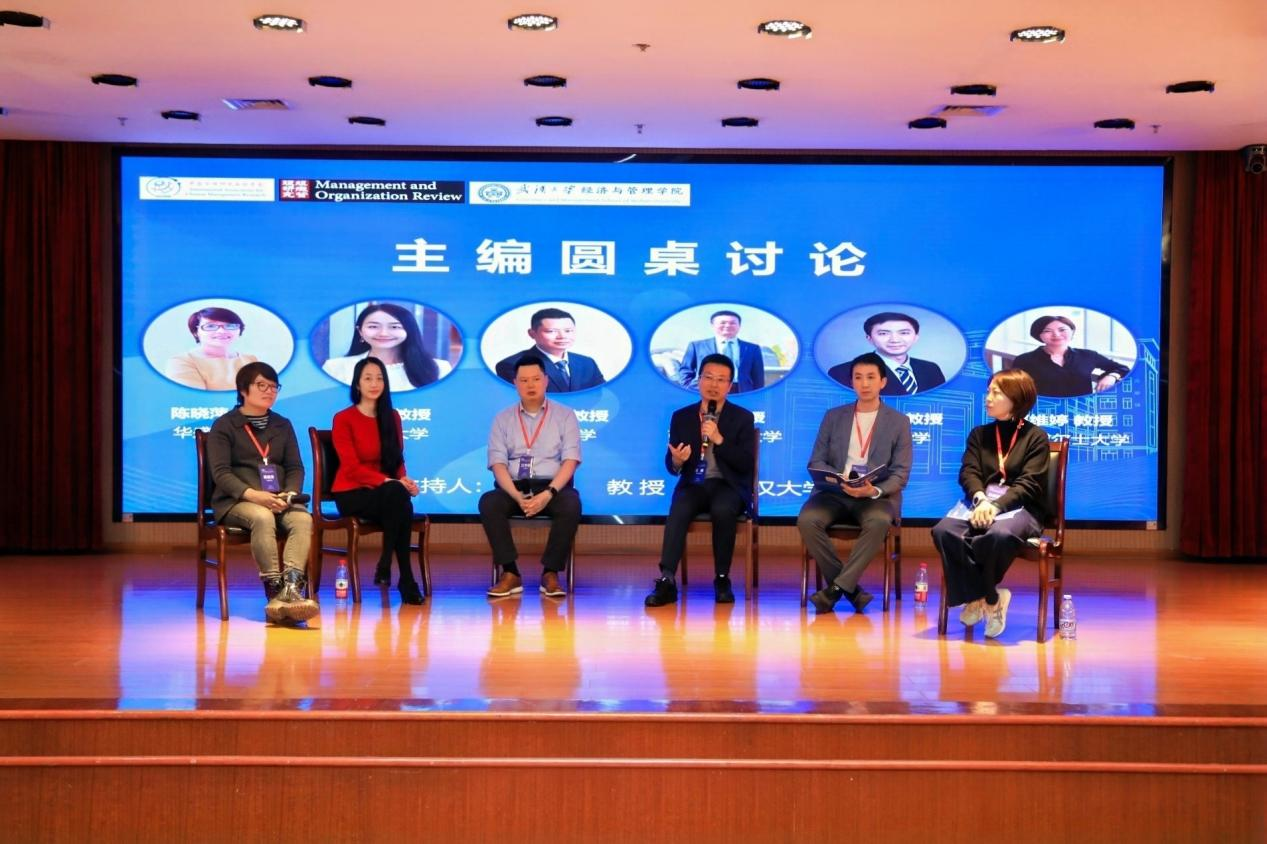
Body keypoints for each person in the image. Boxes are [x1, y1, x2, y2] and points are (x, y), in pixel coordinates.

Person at [932, 369, 1050, 638]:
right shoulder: (979, 434)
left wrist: (996, 507)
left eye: (996, 392)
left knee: (997, 535)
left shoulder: (1036, 437)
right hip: (980, 504)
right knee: (944, 530)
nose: (988, 398)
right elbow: (968, 472)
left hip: (1020, 509)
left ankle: (979, 598)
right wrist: (981, 499)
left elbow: (1029, 484)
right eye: (988, 391)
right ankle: (990, 597)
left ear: (1016, 398)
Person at [799, 352, 913, 614]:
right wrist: (839, 479)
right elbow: (816, 460)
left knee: (879, 521)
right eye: (858, 377)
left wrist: (874, 490)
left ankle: (835, 590)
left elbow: (901, 472)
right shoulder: (833, 416)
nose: (864, 383)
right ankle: (851, 590)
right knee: (807, 520)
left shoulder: (899, 422)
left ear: (883, 381)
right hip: (834, 493)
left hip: (875, 496)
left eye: (871, 377)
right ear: (851, 382)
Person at [206, 362, 318, 624]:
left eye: (274, 386)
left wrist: (289, 493)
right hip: (237, 501)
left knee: (303, 519)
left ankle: (292, 589)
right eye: (261, 385)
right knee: (262, 517)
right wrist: (255, 496)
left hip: (278, 500)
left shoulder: (282, 425)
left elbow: (295, 467)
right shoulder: (225, 425)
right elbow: (221, 473)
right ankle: (275, 593)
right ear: (243, 390)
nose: (269, 391)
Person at [645, 353, 756, 607]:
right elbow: (671, 466)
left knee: (723, 508)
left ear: (730, 385)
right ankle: (667, 579)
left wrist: (719, 440)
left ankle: (722, 578)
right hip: (694, 484)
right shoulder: (682, 416)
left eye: (721, 379)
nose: (713, 384)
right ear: (699, 379)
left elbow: (745, 463)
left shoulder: (742, 418)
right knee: (680, 507)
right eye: (708, 377)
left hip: (728, 485)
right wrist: (678, 461)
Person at [480, 354, 583, 598]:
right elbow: (497, 463)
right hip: (513, 487)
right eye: (524, 380)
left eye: (536, 379)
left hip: (553, 487)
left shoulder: (565, 415)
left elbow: (571, 460)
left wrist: (549, 493)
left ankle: (551, 573)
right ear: (515, 383)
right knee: (489, 502)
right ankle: (510, 572)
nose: (530, 385)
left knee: (571, 504)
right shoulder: (503, 419)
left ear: (546, 380)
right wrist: (516, 496)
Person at [329, 356, 425, 605]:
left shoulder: (392, 416)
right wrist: (389, 482)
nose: (374, 384)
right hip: (351, 492)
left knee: (400, 499)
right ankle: (402, 577)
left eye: (380, 378)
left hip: (386, 494)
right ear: (357, 384)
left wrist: (404, 480)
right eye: (368, 378)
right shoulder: (343, 418)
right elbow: (351, 468)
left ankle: (392, 569)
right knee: (399, 500)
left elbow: (397, 459)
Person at [322, 303, 452, 392]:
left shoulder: (440, 368)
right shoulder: (335, 367)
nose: (383, 333)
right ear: (360, 331)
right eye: (373, 326)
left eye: (394, 327)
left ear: (409, 330)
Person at [1010, 314, 1130, 397]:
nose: (1056, 335)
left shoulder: (1088, 355)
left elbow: (1122, 368)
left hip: (1082, 412)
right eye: (1047, 331)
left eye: (1062, 330)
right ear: (1038, 335)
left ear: (1072, 331)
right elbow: (1014, 389)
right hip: (1043, 413)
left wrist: (1111, 376)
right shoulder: (1024, 360)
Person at [828, 311, 945, 395]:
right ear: (869, 338)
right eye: (883, 333)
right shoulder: (843, 372)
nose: (895, 340)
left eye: (904, 333)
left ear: (915, 337)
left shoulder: (931, 369)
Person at [494, 307, 605, 392]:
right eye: (551, 331)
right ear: (532, 333)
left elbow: (602, 394)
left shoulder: (587, 363)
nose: (562, 336)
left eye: (568, 331)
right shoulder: (512, 365)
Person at [165, 306, 259, 391]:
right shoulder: (182, 362)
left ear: (239, 330)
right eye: (210, 326)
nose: (222, 331)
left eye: (230, 325)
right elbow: (194, 399)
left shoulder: (250, 360)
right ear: (195, 332)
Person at [676, 310, 765, 393]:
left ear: (739, 326)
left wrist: (756, 395)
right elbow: (685, 370)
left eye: (732, 323)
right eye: (723, 323)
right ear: (712, 325)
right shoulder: (697, 346)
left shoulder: (752, 348)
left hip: (741, 391)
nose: (727, 326)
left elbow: (758, 377)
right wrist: (690, 388)